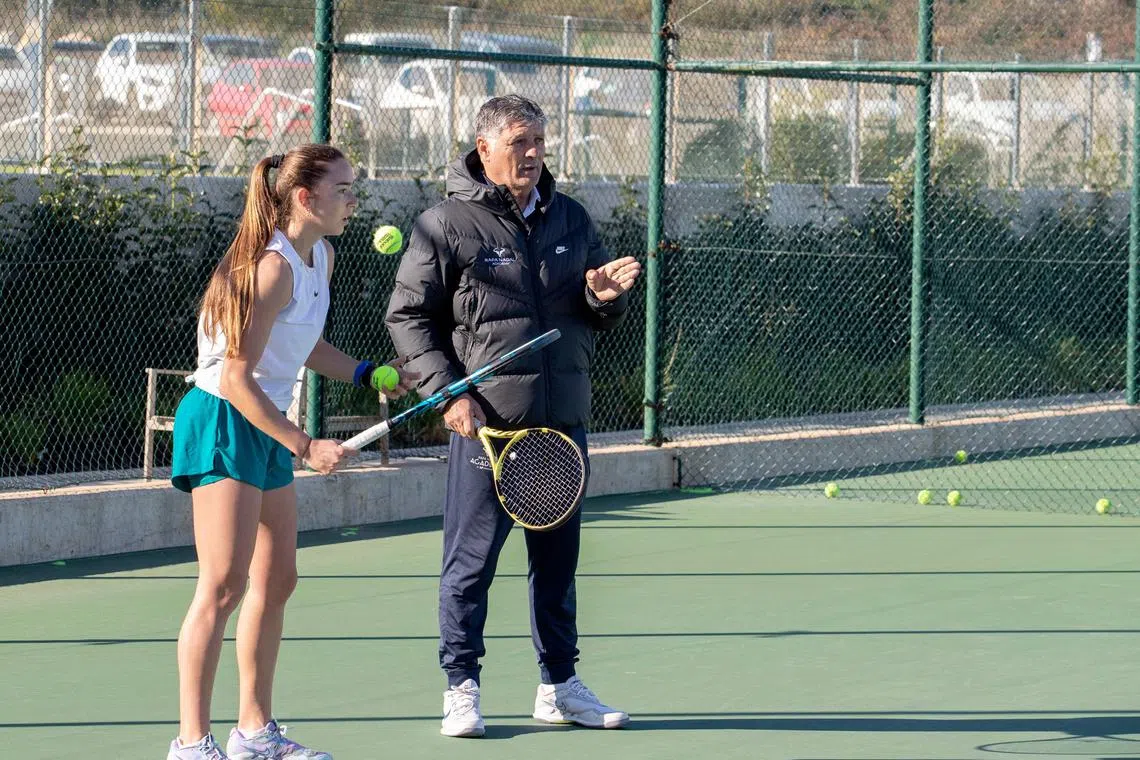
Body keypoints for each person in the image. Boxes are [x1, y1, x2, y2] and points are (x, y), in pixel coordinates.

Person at [385, 94, 642, 738]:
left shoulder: (572, 218)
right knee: (470, 564)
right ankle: (461, 688)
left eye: (540, 142)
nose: (533, 154)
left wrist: (600, 297)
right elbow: (409, 318)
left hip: (561, 424)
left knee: (558, 565)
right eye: (521, 141)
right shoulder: (443, 223)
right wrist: (450, 393)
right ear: (485, 148)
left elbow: (589, 314)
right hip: (488, 426)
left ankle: (559, 686)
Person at [168, 144, 417, 760]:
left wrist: (367, 373)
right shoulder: (270, 267)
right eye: (344, 190)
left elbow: (302, 342)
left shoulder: (320, 257)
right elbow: (234, 377)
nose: (353, 201)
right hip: (225, 418)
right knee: (222, 586)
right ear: (305, 198)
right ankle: (191, 744)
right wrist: (305, 444)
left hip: (265, 419)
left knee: (277, 580)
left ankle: (254, 732)